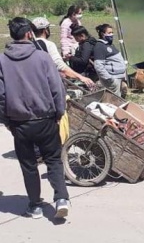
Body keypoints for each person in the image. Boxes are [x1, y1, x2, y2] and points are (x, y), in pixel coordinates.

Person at [0, 17, 70, 219]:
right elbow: (57, 87)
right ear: (29, 34)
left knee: (29, 165)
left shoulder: (3, 61)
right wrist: (59, 112)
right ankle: (61, 198)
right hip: (46, 118)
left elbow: (1, 96)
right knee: (53, 160)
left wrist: (7, 121)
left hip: (20, 123)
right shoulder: (42, 57)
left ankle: (35, 205)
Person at [31, 17, 95, 89]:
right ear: (46, 30)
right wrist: (81, 77)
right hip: (46, 84)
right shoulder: (48, 44)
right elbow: (61, 67)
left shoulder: (30, 44)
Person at [93, 24, 127, 96]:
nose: (112, 34)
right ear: (103, 34)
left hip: (118, 77)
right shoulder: (99, 47)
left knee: (118, 99)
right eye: (109, 33)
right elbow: (98, 66)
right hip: (112, 79)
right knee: (114, 100)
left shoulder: (109, 45)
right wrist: (109, 78)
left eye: (112, 32)